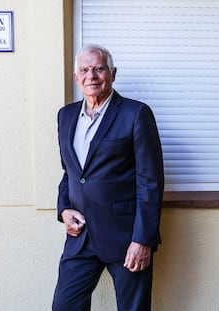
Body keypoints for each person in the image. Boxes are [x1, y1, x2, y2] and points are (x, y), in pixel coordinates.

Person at [52, 44, 164, 311]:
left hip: (126, 238)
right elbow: (70, 173)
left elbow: (151, 182)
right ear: (75, 76)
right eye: (84, 69)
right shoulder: (66, 116)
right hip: (80, 239)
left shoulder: (136, 114)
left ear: (112, 74)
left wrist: (142, 240)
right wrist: (64, 209)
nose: (91, 75)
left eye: (99, 68)